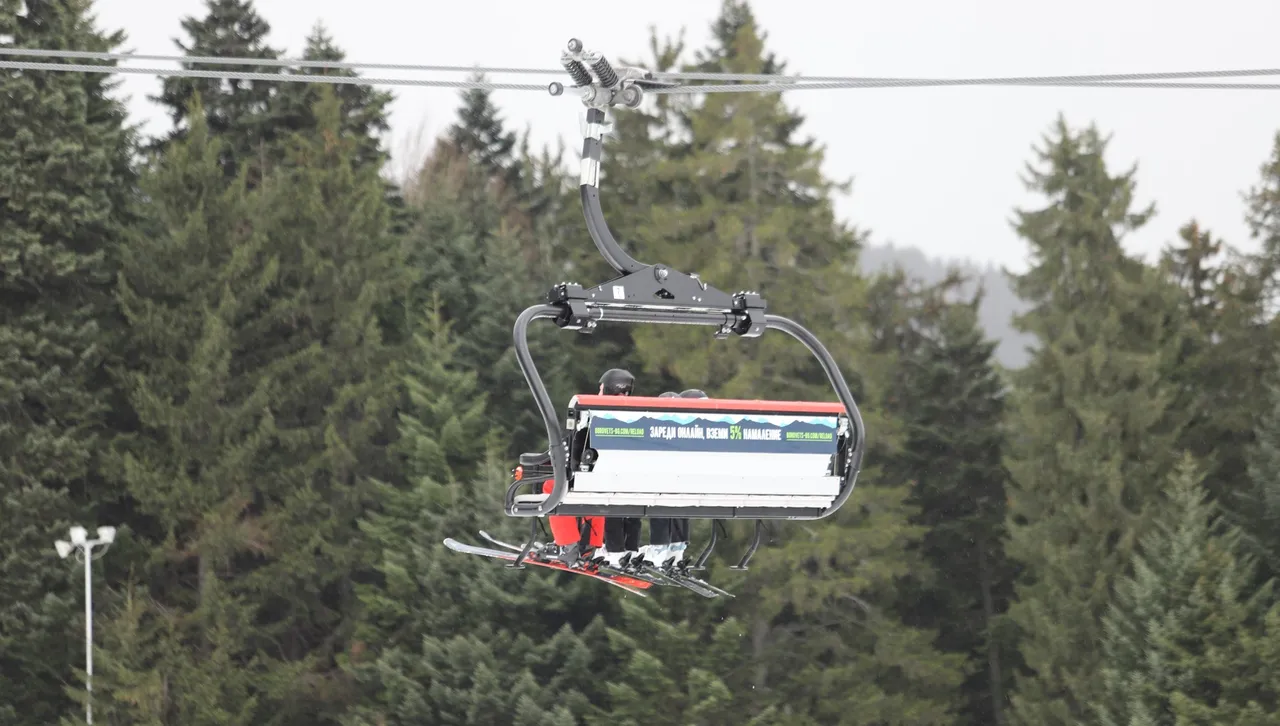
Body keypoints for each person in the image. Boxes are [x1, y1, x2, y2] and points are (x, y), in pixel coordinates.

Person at [544, 368, 634, 563]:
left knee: (553, 485)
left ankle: (567, 544)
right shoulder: (636, 414)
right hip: (623, 480)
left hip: (594, 479)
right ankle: (589, 544)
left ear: (607, 388)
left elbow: (579, 446)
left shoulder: (595, 411)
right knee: (597, 492)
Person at [638, 388, 704, 568]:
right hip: (693, 484)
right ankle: (676, 547)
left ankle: (660, 547)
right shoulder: (703, 428)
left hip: (667, 482)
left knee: (661, 493)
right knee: (675, 494)